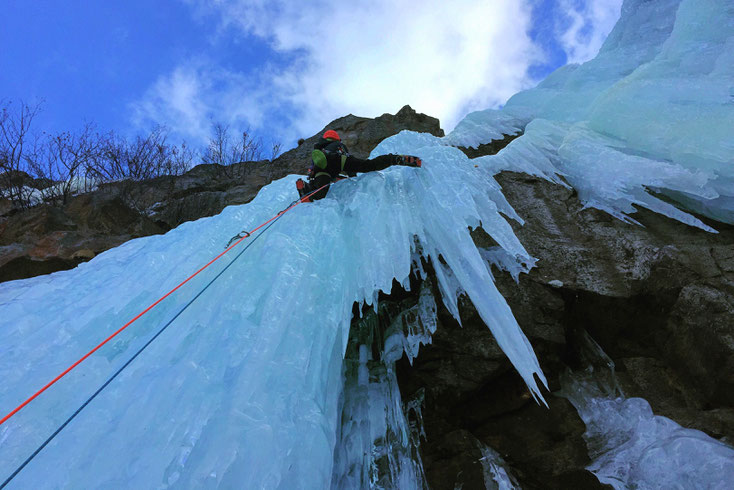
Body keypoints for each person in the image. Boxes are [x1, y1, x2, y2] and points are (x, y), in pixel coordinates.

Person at [296, 129, 422, 201]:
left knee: (319, 191)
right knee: (370, 165)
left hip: (322, 168)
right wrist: (353, 177)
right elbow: (351, 167)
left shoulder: (320, 146)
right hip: (341, 160)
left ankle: (305, 190)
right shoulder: (339, 145)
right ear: (337, 139)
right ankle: (395, 159)